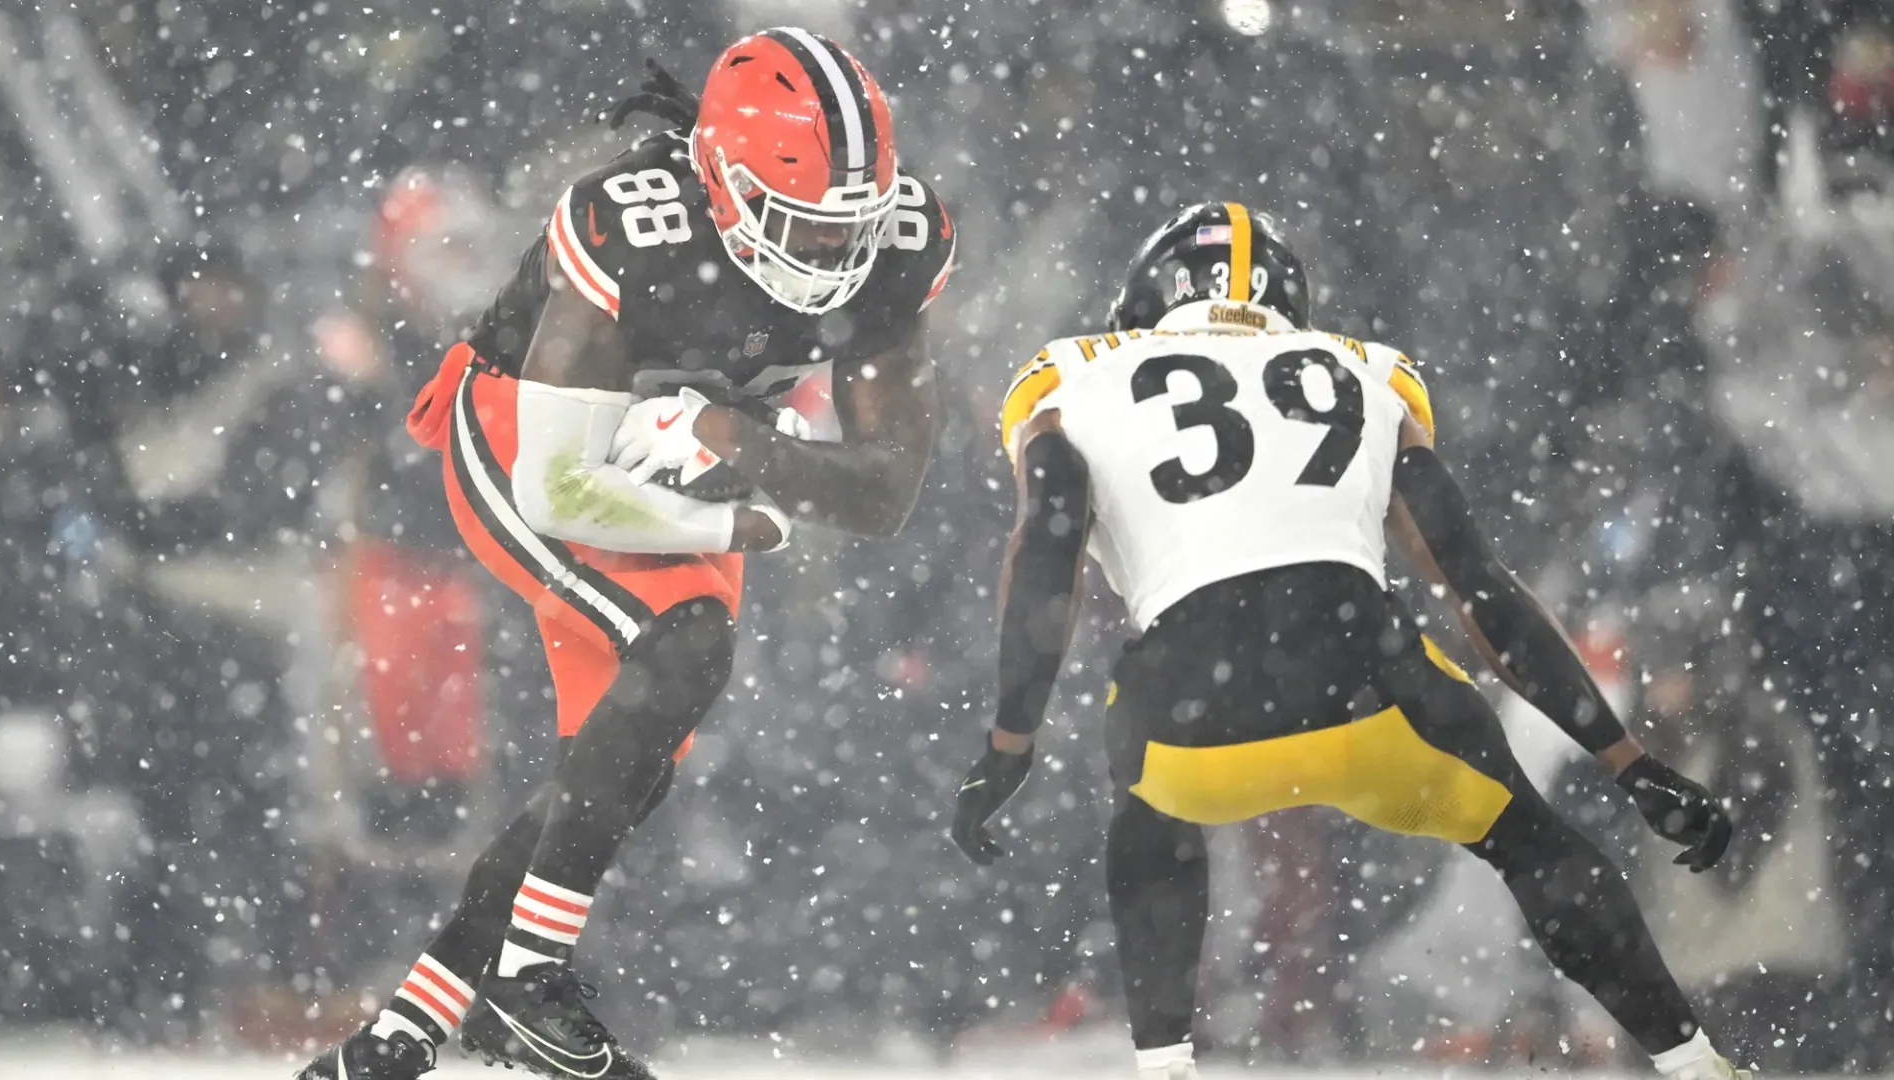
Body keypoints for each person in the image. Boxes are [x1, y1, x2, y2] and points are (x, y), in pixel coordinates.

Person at [948, 203, 1744, 1080]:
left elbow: (1047, 547)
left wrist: (1008, 741)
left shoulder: (1072, 375)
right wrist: (1629, 763)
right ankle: (1694, 1061)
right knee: (1533, 842)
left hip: (1188, 730)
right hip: (1373, 696)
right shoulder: (1363, 372)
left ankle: (1165, 1063)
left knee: (1147, 802)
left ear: (1143, 300)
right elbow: (1476, 584)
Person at [300, 28, 954, 1080]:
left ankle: (397, 1041)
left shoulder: (899, 246)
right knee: (688, 647)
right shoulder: (630, 228)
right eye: (802, 227)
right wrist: (736, 508)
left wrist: (738, 444)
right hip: (519, 438)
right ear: (722, 183)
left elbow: (882, 493)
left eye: (853, 231)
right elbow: (558, 488)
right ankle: (523, 983)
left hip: (676, 460)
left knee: (619, 774)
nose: (833, 257)